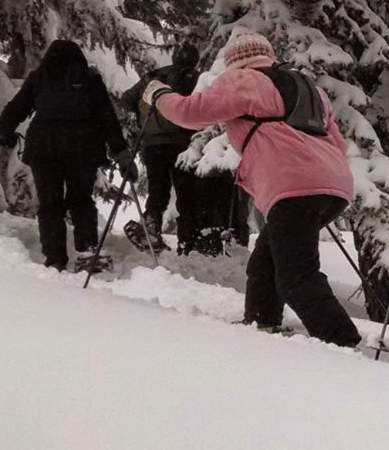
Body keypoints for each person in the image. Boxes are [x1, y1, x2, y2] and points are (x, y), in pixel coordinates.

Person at [143, 30, 360, 346]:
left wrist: (159, 95)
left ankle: (343, 341)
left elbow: (190, 114)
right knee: (267, 257)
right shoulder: (308, 87)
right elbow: (337, 143)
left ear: (234, 62)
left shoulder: (244, 81)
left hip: (293, 185)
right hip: (334, 184)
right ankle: (262, 320)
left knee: (297, 276)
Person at [0, 38, 132, 271]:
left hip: (44, 150)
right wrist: (120, 151)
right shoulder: (90, 80)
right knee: (81, 200)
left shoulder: (39, 78)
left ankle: (54, 258)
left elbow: (15, 109)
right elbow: (106, 117)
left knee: (50, 205)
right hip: (83, 149)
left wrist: (4, 133)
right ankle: (88, 250)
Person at [130, 41, 202, 251]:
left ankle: (151, 227)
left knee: (157, 190)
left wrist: (141, 111)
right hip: (184, 143)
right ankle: (188, 240)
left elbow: (126, 99)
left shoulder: (154, 77)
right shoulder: (196, 79)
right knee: (186, 193)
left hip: (153, 144)